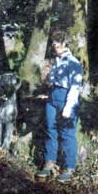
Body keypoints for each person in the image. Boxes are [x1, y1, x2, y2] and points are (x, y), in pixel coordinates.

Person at [36, 31, 83, 183]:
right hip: (52, 97)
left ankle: (69, 167)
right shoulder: (56, 60)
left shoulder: (74, 63)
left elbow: (75, 87)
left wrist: (68, 107)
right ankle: (49, 162)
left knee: (67, 133)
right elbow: (52, 79)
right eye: (54, 43)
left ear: (65, 43)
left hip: (66, 98)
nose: (54, 45)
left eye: (57, 43)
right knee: (51, 130)